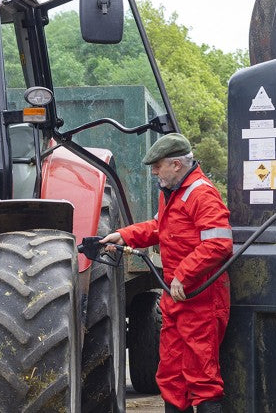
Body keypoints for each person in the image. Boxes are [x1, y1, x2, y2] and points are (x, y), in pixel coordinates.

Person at [100, 133, 232, 413]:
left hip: (201, 298)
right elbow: (159, 228)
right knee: (171, 376)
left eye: (157, 166)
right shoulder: (171, 193)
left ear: (176, 164)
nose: (154, 172)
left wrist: (184, 274)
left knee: (201, 377)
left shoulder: (202, 194)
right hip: (176, 298)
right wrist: (124, 236)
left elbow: (219, 244)